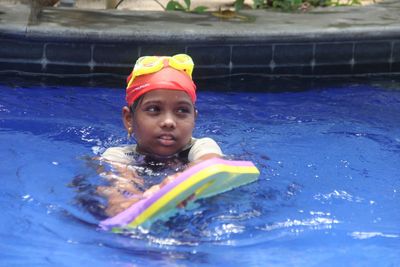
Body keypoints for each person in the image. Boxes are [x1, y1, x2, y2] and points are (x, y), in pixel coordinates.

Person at [97, 54, 223, 216]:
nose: (169, 122)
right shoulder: (118, 155)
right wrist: (126, 202)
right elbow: (120, 184)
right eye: (154, 109)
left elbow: (210, 163)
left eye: (182, 111)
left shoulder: (201, 146)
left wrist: (179, 182)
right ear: (129, 119)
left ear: (194, 119)